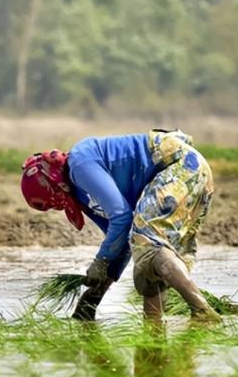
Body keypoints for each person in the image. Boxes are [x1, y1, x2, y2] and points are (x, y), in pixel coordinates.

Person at [21, 130, 218, 323]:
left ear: (57, 186)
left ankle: (202, 311)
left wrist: (100, 260)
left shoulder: (79, 164)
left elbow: (122, 218)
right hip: (189, 172)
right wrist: (90, 301)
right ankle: (153, 327)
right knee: (147, 255)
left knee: (148, 242)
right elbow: (122, 240)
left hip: (180, 165)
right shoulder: (81, 194)